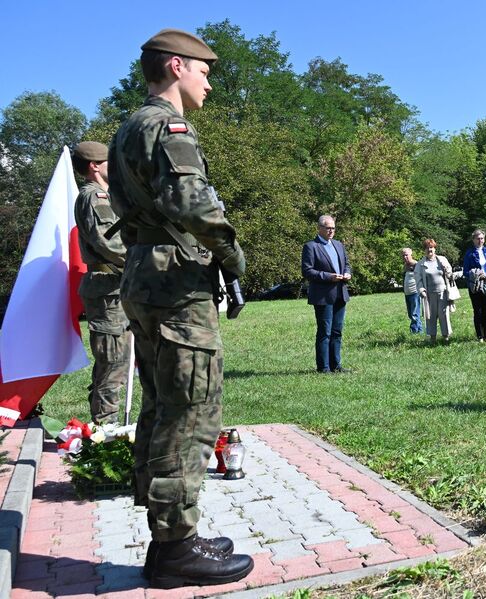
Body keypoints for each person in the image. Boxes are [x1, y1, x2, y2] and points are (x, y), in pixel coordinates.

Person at [107, 29, 252, 588]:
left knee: (163, 405)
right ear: (176, 65)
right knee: (190, 410)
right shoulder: (167, 126)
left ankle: (172, 537)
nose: (209, 82)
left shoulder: (129, 126)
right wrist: (232, 254)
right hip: (174, 284)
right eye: (204, 70)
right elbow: (193, 202)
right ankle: (175, 549)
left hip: (147, 275)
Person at [71, 141, 129, 424]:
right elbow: (110, 242)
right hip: (108, 290)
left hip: (116, 287)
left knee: (117, 361)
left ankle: (104, 425)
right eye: (110, 162)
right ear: (95, 166)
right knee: (113, 362)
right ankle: (106, 430)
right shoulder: (95, 197)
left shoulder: (108, 195)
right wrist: (145, 263)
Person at [302, 215, 352, 372]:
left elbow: (347, 264)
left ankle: (336, 365)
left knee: (337, 331)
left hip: (340, 293)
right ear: (319, 228)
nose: (331, 231)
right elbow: (307, 271)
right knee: (325, 332)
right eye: (328, 228)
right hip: (323, 295)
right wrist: (328, 276)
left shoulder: (338, 245)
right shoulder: (311, 246)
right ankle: (323, 367)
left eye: (333, 228)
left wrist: (347, 273)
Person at [414, 239, 454, 343]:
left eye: (431, 247)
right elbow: (418, 279)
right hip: (429, 295)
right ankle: (432, 338)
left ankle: (446, 337)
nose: (429, 250)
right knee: (430, 316)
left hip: (443, 292)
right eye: (427, 248)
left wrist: (448, 271)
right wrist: (421, 290)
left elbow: (450, 274)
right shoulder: (420, 264)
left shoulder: (442, 260)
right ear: (424, 250)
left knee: (443, 315)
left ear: (435, 249)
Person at [462, 229, 486, 342]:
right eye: (478, 238)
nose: (480, 240)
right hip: (475, 284)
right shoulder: (469, 253)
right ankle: (479, 336)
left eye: (482, 238)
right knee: (477, 310)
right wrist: (476, 274)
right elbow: (465, 272)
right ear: (473, 240)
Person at [400, 247, 423, 334]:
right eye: (403, 256)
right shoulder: (405, 266)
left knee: (414, 314)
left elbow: (421, 278)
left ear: (411, 254)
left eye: (406, 255)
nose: (405, 257)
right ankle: (419, 330)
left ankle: (414, 332)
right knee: (410, 314)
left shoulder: (416, 264)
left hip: (415, 292)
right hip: (407, 293)